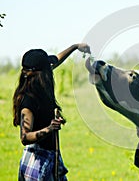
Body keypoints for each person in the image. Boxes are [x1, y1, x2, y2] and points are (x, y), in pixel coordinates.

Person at [13, 43, 91, 181]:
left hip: (51, 157)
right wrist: (49, 129)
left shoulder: (40, 88)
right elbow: (24, 137)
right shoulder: (28, 102)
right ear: (40, 73)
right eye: (48, 67)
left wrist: (75, 47)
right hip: (37, 163)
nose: (51, 68)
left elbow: (57, 59)